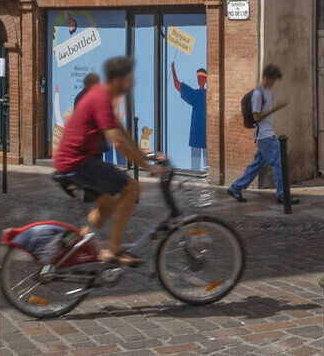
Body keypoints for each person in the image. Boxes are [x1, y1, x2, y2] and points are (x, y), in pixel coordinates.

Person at [51, 55, 163, 266]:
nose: (132, 84)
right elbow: (117, 141)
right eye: (129, 79)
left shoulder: (102, 97)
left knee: (107, 202)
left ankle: (74, 250)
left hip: (72, 162)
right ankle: (114, 249)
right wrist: (147, 167)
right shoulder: (100, 97)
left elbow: (122, 132)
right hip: (76, 162)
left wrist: (146, 154)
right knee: (131, 188)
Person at [227, 65, 286, 205]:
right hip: (265, 136)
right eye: (273, 80)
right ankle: (282, 195)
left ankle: (235, 188)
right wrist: (275, 109)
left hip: (266, 134)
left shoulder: (267, 92)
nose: (274, 83)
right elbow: (256, 116)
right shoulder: (258, 93)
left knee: (257, 165)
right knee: (279, 163)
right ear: (267, 78)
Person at [169, 62, 209, 170]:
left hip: (206, 132)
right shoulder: (195, 94)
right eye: (198, 77)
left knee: (207, 165)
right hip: (196, 132)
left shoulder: (209, 94)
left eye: (202, 77)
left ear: (206, 80)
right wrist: (173, 69)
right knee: (195, 167)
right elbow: (177, 85)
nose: (199, 79)